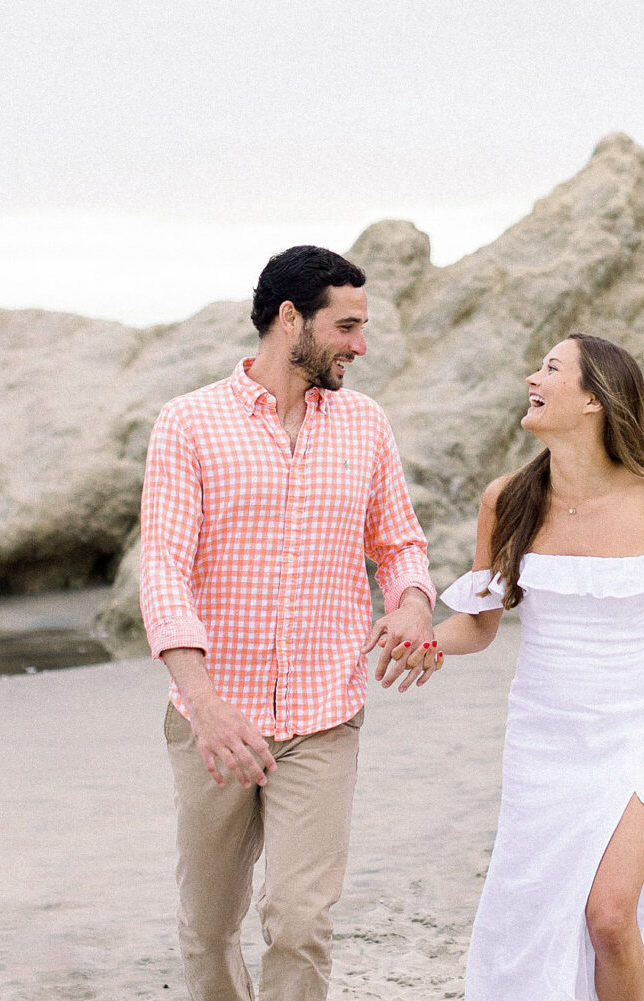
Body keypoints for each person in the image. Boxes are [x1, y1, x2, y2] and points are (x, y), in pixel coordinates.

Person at [383, 332, 644, 1001]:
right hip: (542, 737)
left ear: (595, 399)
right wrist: (425, 638)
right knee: (538, 914)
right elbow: (480, 625)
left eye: (549, 368)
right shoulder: (507, 499)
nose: (530, 377)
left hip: (633, 728)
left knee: (608, 917)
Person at [138, 245, 439, 1001]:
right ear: (289, 318)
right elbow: (164, 571)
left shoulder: (365, 425)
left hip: (323, 714)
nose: (360, 346)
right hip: (216, 716)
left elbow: (399, 542)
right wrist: (204, 706)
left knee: (301, 921)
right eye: (347, 326)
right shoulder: (188, 424)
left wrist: (410, 602)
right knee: (210, 926)